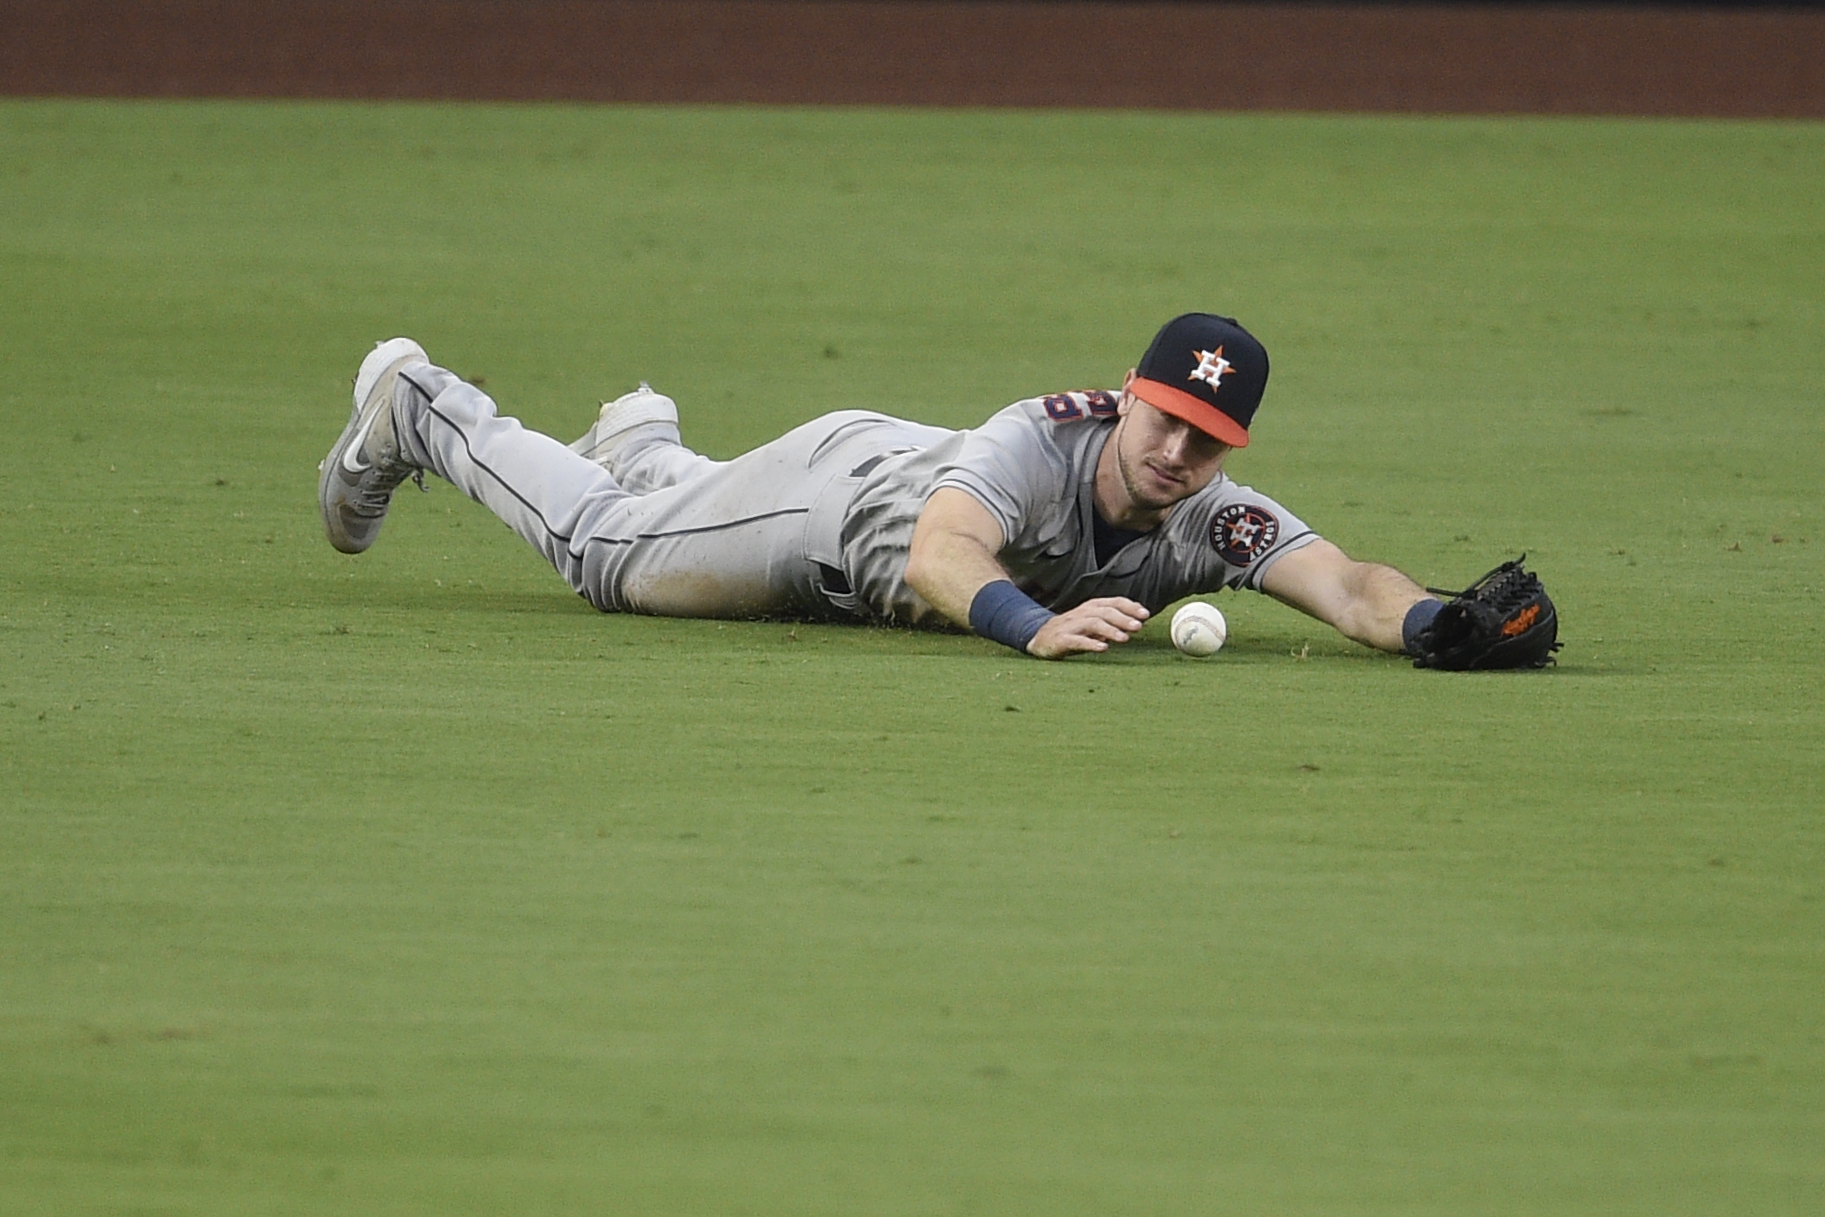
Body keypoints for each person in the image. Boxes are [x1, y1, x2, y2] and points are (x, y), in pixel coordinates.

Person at [318, 313, 1449, 660]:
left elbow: (1347, 586)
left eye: (1207, 442)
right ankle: (422, 405)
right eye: (1165, 422)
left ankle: (646, 443)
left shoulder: (1212, 515)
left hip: (874, 495)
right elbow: (940, 553)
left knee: (658, 505)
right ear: (1125, 397)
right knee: (610, 561)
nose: (1177, 457)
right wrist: (1033, 626)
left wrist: (1443, 622)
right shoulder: (1034, 441)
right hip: (836, 503)